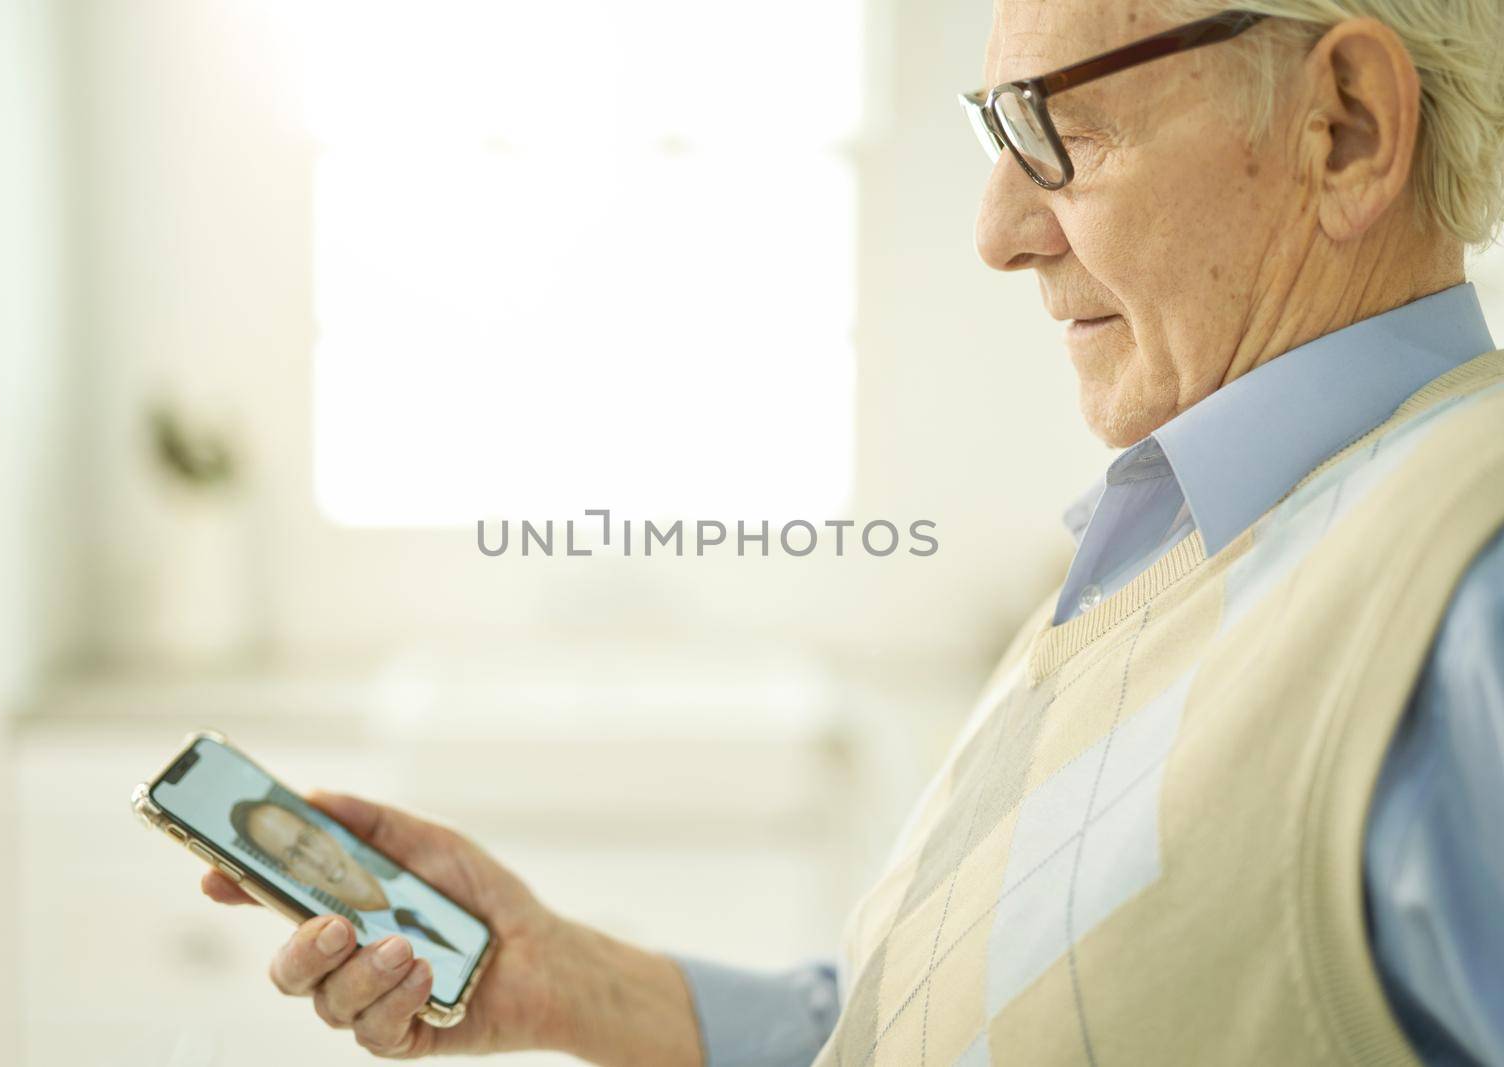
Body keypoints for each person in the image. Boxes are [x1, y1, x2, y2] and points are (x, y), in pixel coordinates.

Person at [200, 1, 1504, 1063]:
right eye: (995, 130)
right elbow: (941, 1022)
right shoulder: (1184, 531)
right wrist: (567, 979)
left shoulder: (1473, 589)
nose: (997, 232)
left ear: (1346, 130)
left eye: (1058, 128)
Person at [229, 799, 462, 955]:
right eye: (293, 855)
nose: (316, 859)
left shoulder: (430, 879)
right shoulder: (372, 954)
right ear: (292, 875)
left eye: (306, 838)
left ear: (324, 832)